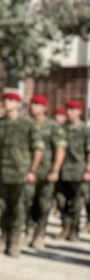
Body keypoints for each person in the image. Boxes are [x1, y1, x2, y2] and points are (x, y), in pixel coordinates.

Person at [0, 91, 43, 257]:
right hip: (1, 172)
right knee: (3, 208)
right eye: (6, 99)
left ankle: (15, 242)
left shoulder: (28, 124)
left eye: (12, 100)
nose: (8, 102)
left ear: (18, 104)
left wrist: (32, 170)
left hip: (20, 173)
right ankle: (3, 239)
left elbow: (38, 149)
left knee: (19, 209)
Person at [25, 94, 66, 249]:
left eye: (38, 104)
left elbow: (60, 149)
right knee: (27, 203)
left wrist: (55, 170)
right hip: (27, 171)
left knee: (43, 204)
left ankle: (40, 233)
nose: (34, 107)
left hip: (45, 171)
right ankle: (28, 232)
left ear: (44, 108)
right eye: (32, 104)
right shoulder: (25, 124)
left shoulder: (53, 126)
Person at [55, 100, 90, 241]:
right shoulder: (61, 129)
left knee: (77, 204)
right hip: (62, 172)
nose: (69, 112)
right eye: (68, 109)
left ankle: (74, 231)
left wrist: (88, 170)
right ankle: (65, 228)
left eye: (73, 109)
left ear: (79, 112)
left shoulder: (85, 130)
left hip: (78, 171)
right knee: (61, 202)